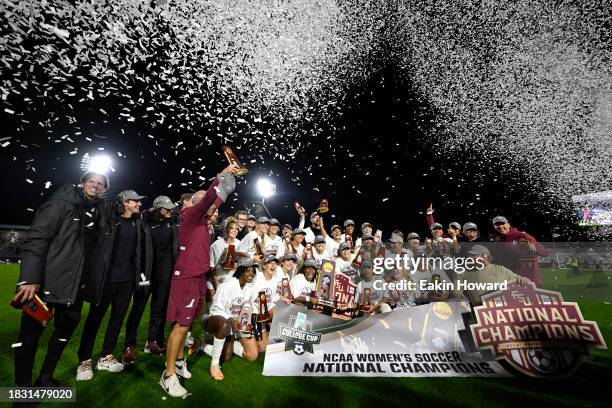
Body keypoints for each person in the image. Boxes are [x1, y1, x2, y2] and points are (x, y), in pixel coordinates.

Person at [13, 171, 108, 387]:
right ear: (82, 183)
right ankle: (23, 392)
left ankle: (45, 379)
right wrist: (29, 278)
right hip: (44, 285)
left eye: (100, 183)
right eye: (91, 181)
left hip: (74, 289)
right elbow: (37, 239)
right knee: (28, 340)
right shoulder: (60, 204)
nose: (95, 185)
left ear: (104, 190)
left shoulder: (97, 212)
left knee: (63, 335)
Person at [160, 164, 238, 397]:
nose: (212, 207)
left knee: (189, 322)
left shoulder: (204, 222)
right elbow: (208, 201)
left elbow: (214, 203)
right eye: (206, 201)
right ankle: (168, 374)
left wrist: (226, 186)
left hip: (197, 277)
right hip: (186, 277)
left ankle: (181, 361)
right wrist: (221, 175)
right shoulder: (190, 215)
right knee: (180, 325)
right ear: (194, 203)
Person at [76, 189, 152, 380]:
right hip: (105, 280)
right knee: (94, 320)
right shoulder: (108, 220)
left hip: (126, 281)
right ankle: (84, 360)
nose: (139, 204)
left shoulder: (138, 223)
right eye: (136, 201)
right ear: (125, 202)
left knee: (117, 320)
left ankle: (105, 356)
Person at [201, 260, 259, 381]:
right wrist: (231, 320)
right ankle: (214, 365)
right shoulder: (226, 286)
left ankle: (202, 345)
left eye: (253, 272)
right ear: (241, 271)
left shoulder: (249, 289)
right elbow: (215, 308)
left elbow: (247, 311)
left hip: (234, 325)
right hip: (214, 320)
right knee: (224, 325)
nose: (251, 274)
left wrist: (247, 323)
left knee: (249, 355)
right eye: (248, 271)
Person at [142, 196, 179, 356]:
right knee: (138, 308)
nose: (171, 210)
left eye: (171, 208)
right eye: (167, 208)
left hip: (165, 271)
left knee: (160, 307)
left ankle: (154, 340)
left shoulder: (171, 222)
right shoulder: (145, 222)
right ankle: (129, 345)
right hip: (147, 271)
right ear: (158, 208)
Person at [459, 245, 532, 306]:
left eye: (473, 255)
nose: (469, 258)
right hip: (481, 314)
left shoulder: (501, 269)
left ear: (484, 256)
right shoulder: (465, 273)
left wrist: (524, 279)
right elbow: (457, 292)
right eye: (469, 255)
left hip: (503, 312)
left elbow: (519, 279)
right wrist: (460, 296)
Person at [491, 216, 548, 287]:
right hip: (512, 279)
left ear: (508, 224)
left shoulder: (521, 235)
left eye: (502, 223)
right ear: (494, 227)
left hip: (529, 279)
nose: (500, 226)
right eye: (497, 224)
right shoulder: (498, 240)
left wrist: (535, 248)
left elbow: (545, 252)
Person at [209, 217, 242, 288]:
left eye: (236, 229)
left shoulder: (239, 244)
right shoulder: (216, 245)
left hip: (231, 282)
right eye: (231, 228)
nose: (234, 230)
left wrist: (236, 265)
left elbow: (240, 263)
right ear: (226, 229)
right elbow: (211, 267)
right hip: (217, 281)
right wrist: (217, 285)